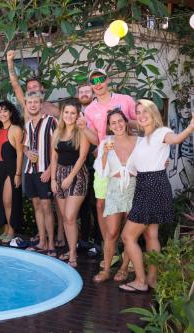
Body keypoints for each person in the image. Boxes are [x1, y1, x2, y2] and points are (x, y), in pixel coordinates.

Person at [119, 100, 193, 293]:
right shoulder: (143, 140)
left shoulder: (162, 132)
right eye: (138, 112)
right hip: (148, 184)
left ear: (154, 113)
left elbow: (175, 139)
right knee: (150, 235)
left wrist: (191, 126)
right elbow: (134, 168)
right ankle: (152, 278)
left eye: (145, 111)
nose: (141, 115)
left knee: (127, 236)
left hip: (153, 186)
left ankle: (140, 281)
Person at [76, 69, 136, 257]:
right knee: (101, 205)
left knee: (127, 207)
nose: (98, 83)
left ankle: (128, 249)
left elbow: (138, 122)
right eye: (94, 81)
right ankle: (110, 248)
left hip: (127, 160)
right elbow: (95, 139)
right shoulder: (90, 110)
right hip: (105, 160)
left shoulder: (125, 100)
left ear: (108, 80)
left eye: (101, 79)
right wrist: (83, 128)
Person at [93, 110, 135, 283]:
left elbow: (148, 161)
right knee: (111, 232)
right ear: (109, 126)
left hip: (134, 188)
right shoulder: (106, 143)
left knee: (130, 234)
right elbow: (101, 171)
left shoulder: (138, 141)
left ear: (125, 122)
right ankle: (107, 269)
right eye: (113, 123)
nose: (117, 125)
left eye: (120, 121)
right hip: (114, 189)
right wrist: (104, 154)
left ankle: (124, 268)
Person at [50, 102, 90, 267]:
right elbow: (53, 157)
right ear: (62, 114)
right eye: (66, 112)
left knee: (70, 216)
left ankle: (73, 253)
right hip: (59, 175)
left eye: (73, 113)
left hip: (77, 176)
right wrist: (53, 179)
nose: (69, 116)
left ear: (78, 115)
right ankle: (70, 247)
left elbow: (82, 157)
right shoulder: (57, 132)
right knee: (65, 219)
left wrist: (70, 177)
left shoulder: (81, 132)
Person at [23, 92, 57, 254]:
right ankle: (42, 241)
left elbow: (57, 147)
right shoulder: (28, 125)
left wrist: (50, 170)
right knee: (37, 205)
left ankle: (51, 243)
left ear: (41, 104)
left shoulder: (51, 121)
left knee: (46, 207)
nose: (33, 105)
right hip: (30, 171)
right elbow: (25, 146)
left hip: (45, 171)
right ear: (26, 104)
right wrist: (27, 152)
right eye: (30, 102)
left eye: (36, 102)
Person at [0, 101, 24, 242]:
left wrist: (18, 174)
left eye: (5, 111)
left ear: (11, 113)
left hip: (11, 168)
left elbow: (20, 154)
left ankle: (11, 230)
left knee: (8, 200)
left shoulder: (15, 129)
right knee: (0, 201)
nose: (2, 114)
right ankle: (5, 228)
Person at [76, 84, 102, 256]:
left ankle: (98, 243)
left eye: (87, 91)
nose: (84, 94)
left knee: (96, 205)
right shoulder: (75, 112)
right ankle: (84, 240)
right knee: (82, 206)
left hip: (96, 165)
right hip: (78, 166)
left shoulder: (98, 112)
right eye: (81, 92)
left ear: (93, 94)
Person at [6, 50, 60, 119]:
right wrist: (9, 61)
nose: (32, 89)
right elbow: (15, 84)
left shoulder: (52, 108)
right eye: (29, 87)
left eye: (35, 86)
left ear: (42, 88)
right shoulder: (26, 105)